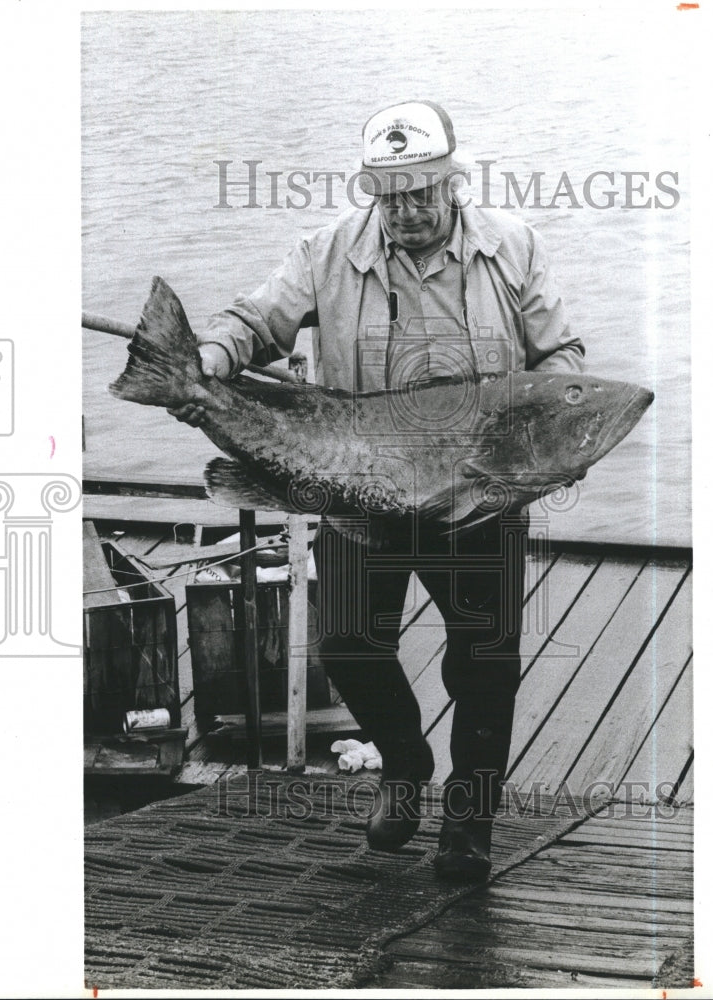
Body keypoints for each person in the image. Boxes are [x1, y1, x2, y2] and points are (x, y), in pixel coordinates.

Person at [170, 100, 585, 880]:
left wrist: (558, 437)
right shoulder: (325, 250)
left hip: (478, 498)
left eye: (421, 191)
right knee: (349, 646)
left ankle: (469, 823)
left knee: (484, 662)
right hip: (360, 495)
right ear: (371, 190)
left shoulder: (514, 248)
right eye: (389, 194)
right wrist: (210, 364)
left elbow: (558, 354)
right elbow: (254, 319)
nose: (407, 210)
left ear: (453, 181)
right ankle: (403, 765)